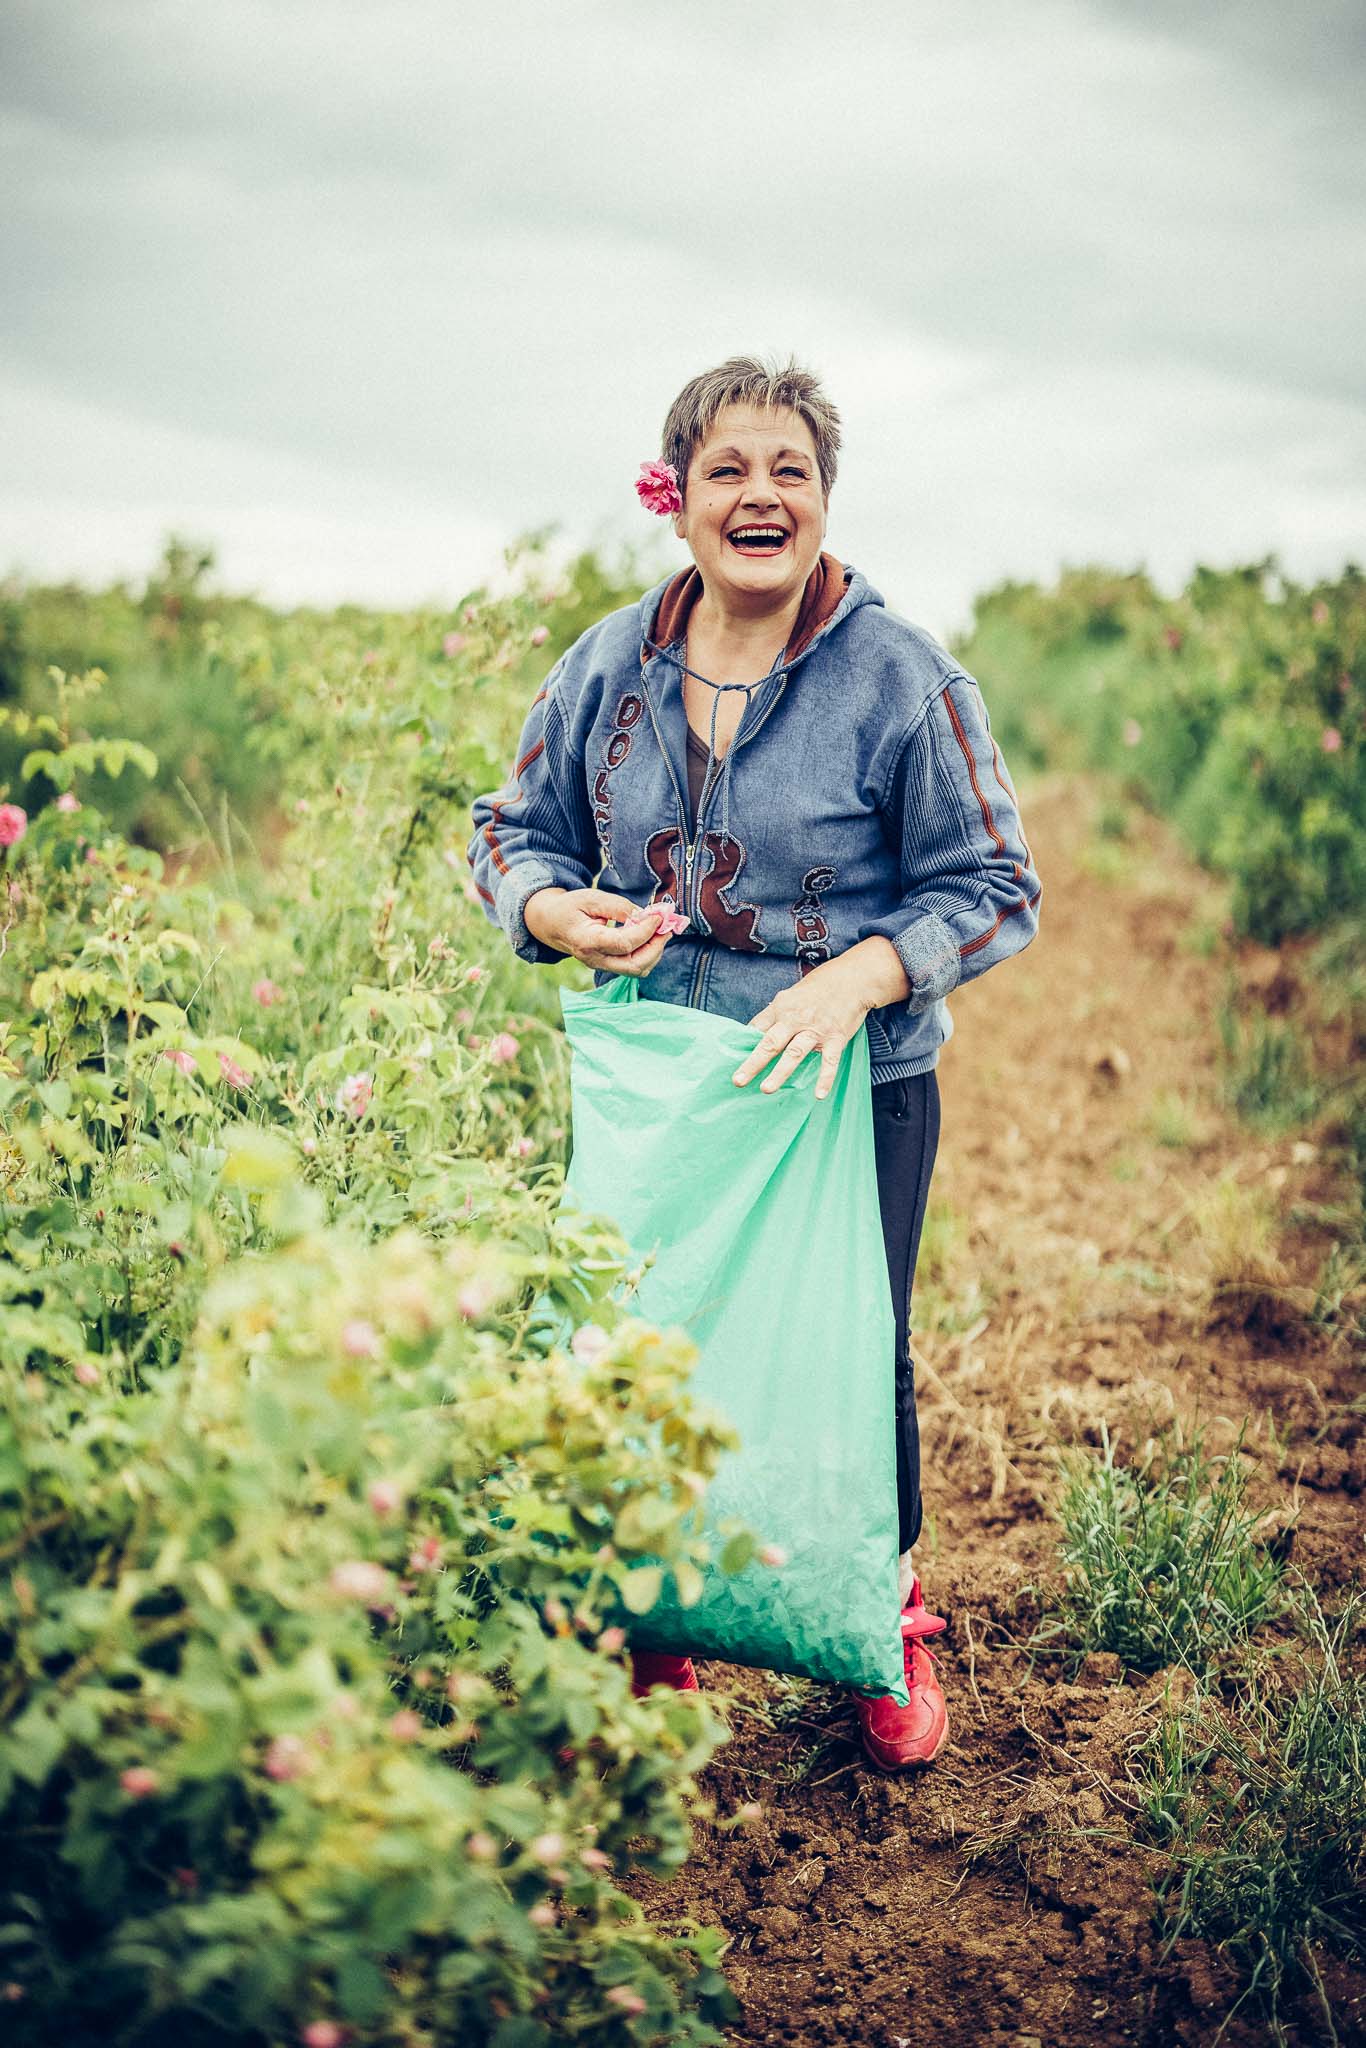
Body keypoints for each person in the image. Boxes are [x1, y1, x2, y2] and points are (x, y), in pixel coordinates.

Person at [467, 354, 1042, 1770]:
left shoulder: (900, 678)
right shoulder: (610, 665)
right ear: (679, 503)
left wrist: (859, 973)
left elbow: (994, 884)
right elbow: (506, 832)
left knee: (850, 1354)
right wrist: (550, 908)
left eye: (790, 469)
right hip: (661, 1082)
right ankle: (651, 1623)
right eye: (728, 469)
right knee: (642, 1353)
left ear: (824, 499)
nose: (760, 494)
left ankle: (877, 1619)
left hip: (851, 1085)